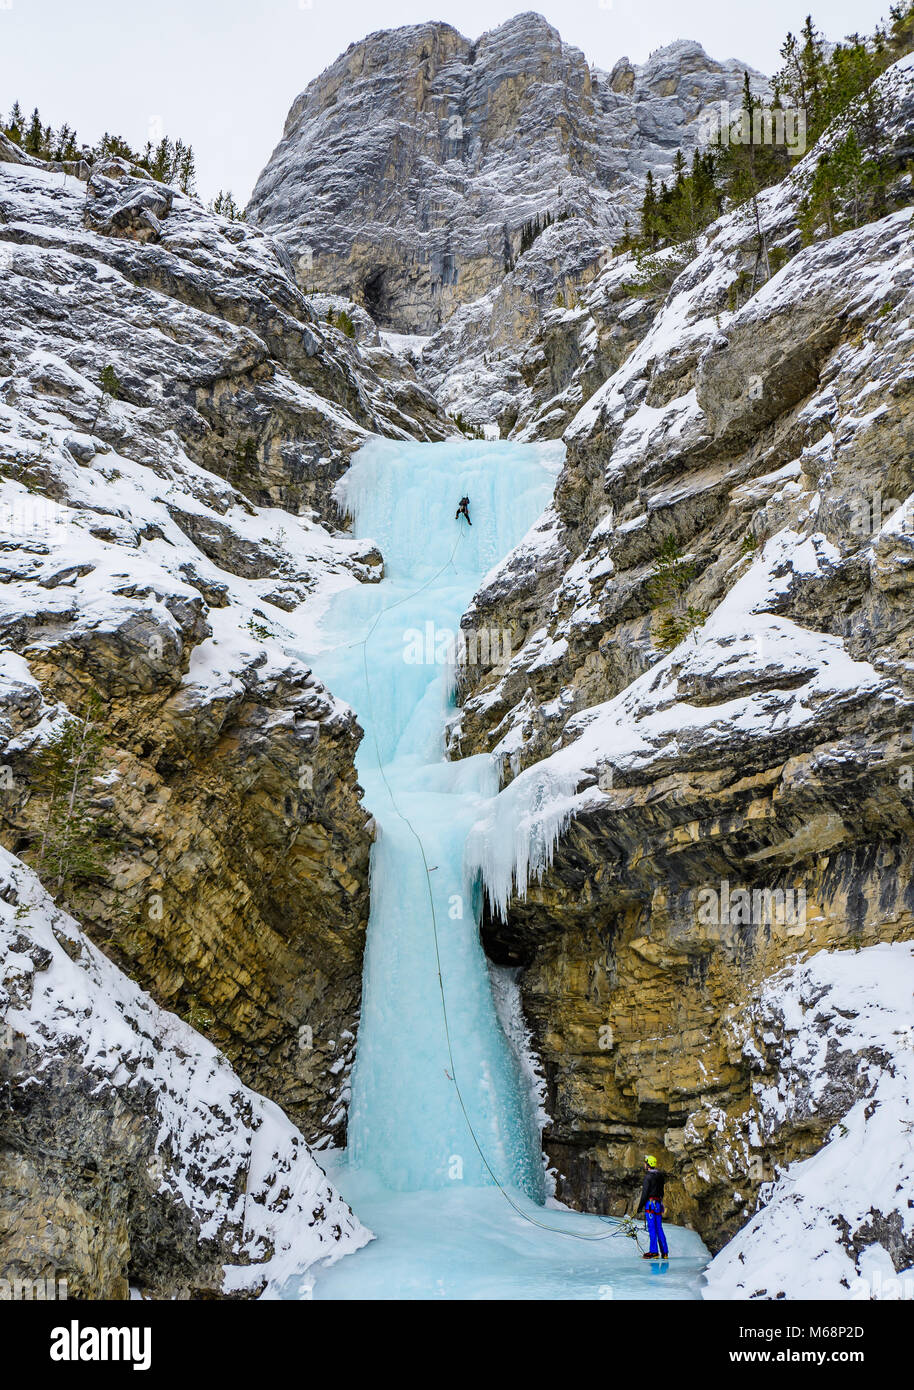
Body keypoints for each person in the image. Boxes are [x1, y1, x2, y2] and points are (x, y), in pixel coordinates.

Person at [636, 1155, 669, 1259]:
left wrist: (639, 1207)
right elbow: (662, 1192)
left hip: (650, 1205)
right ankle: (665, 1252)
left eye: (645, 1163)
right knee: (659, 1227)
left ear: (648, 1164)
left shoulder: (648, 1177)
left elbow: (645, 1194)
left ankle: (654, 1252)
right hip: (658, 1204)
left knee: (652, 1228)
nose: (644, 1165)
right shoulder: (660, 1176)